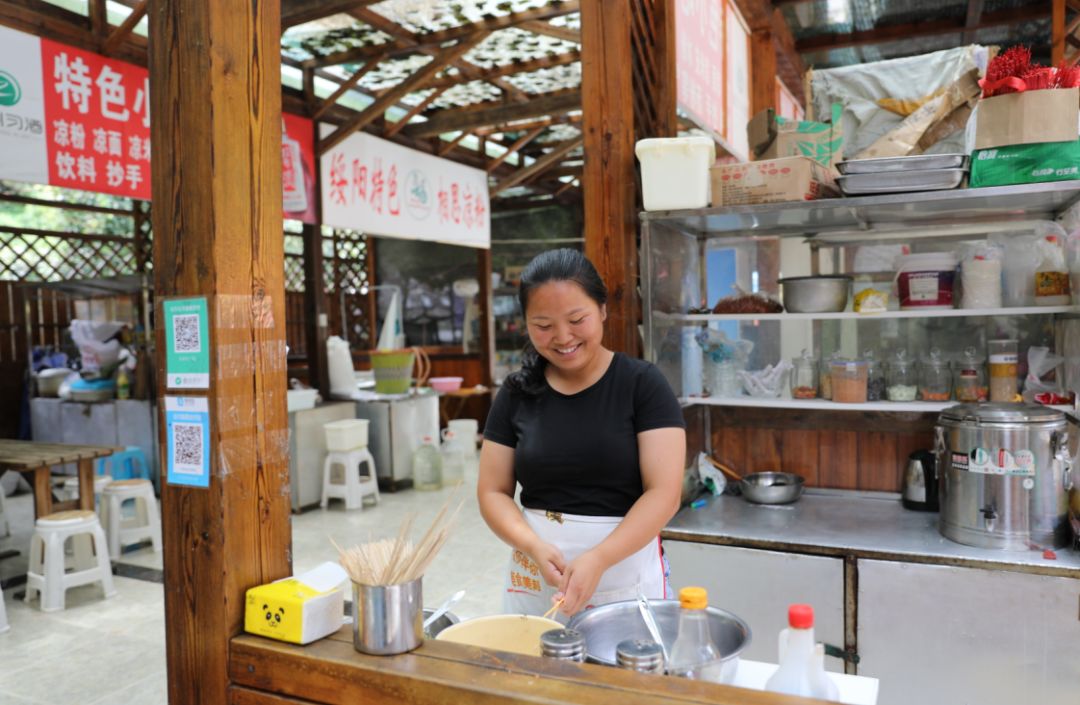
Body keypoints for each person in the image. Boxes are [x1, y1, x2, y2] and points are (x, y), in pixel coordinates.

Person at [478, 249, 686, 620]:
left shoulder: (642, 385)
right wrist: (531, 545)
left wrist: (600, 558)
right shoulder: (516, 392)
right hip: (536, 578)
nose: (562, 337)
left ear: (603, 309)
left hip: (623, 577)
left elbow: (665, 494)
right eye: (543, 325)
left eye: (577, 319)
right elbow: (493, 491)